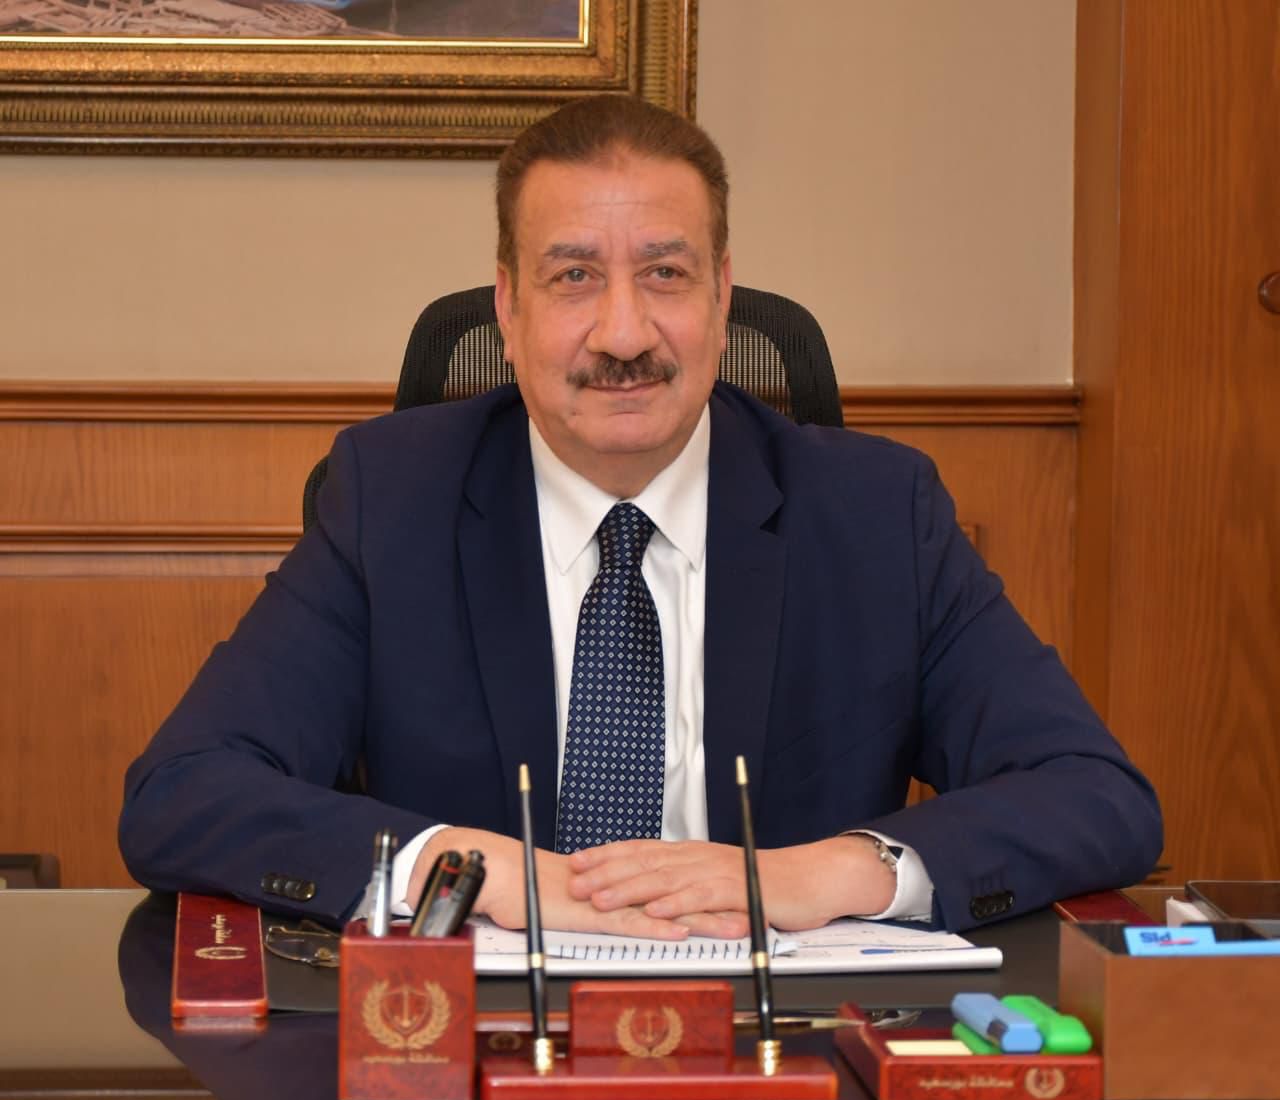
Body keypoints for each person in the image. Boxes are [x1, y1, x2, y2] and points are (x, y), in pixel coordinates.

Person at [119, 95, 1162, 938]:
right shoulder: (390, 501)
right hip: (477, 1054)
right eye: (574, 276)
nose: (624, 333)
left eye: (664, 274)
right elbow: (184, 791)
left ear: (721, 297)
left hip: (783, 1050)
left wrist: (828, 872)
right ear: (507, 308)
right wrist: (473, 870)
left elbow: (1095, 794)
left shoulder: (876, 514)